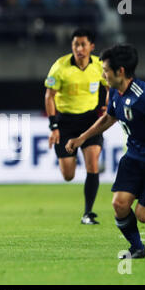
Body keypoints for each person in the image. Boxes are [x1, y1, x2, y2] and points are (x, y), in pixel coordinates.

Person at [66, 44, 145, 258]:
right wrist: (81, 138)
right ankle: (137, 248)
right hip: (134, 156)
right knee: (119, 204)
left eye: (105, 70)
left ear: (120, 71)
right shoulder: (114, 90)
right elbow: (108, 118)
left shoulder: (144, 96)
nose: (103, 74)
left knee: (144, 215)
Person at [44, 28, 109, 225]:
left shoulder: (99, 66)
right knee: (68, 175)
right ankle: (76, 156)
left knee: (93, 165)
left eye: (83, 44)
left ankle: (88, 213)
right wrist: (54, 126)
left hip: (90, 121)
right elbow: (49, 96)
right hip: (65, 123)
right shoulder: (60, 67)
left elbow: (110, 87)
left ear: (91, 46)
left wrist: (107, 106)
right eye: (75, 45)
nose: (79, 48)